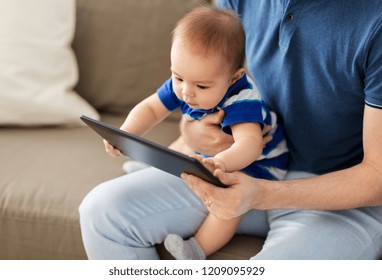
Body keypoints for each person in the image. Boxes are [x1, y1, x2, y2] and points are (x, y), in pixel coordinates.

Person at [79, 0, 382, 260]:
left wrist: (254, 190)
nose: (185, 90)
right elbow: (200, 80)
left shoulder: (375, 21)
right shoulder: (226, 18)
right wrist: (191, 133)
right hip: (235, 171)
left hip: (338, 196)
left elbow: (377, 177)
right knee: (101, 211)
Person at [102, 7, 288, 260]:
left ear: (234, 78)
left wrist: (220, 163)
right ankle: (154, 170)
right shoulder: (187, 81)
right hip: (212, 152)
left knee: (227, 205)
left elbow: (250, 144)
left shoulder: (243, 99)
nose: (187, 93)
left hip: (260, 166)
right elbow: (150, 108)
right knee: (184, 147)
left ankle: (195, 249)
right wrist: (125, 133)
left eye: (201, 86)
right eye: (177, 78)